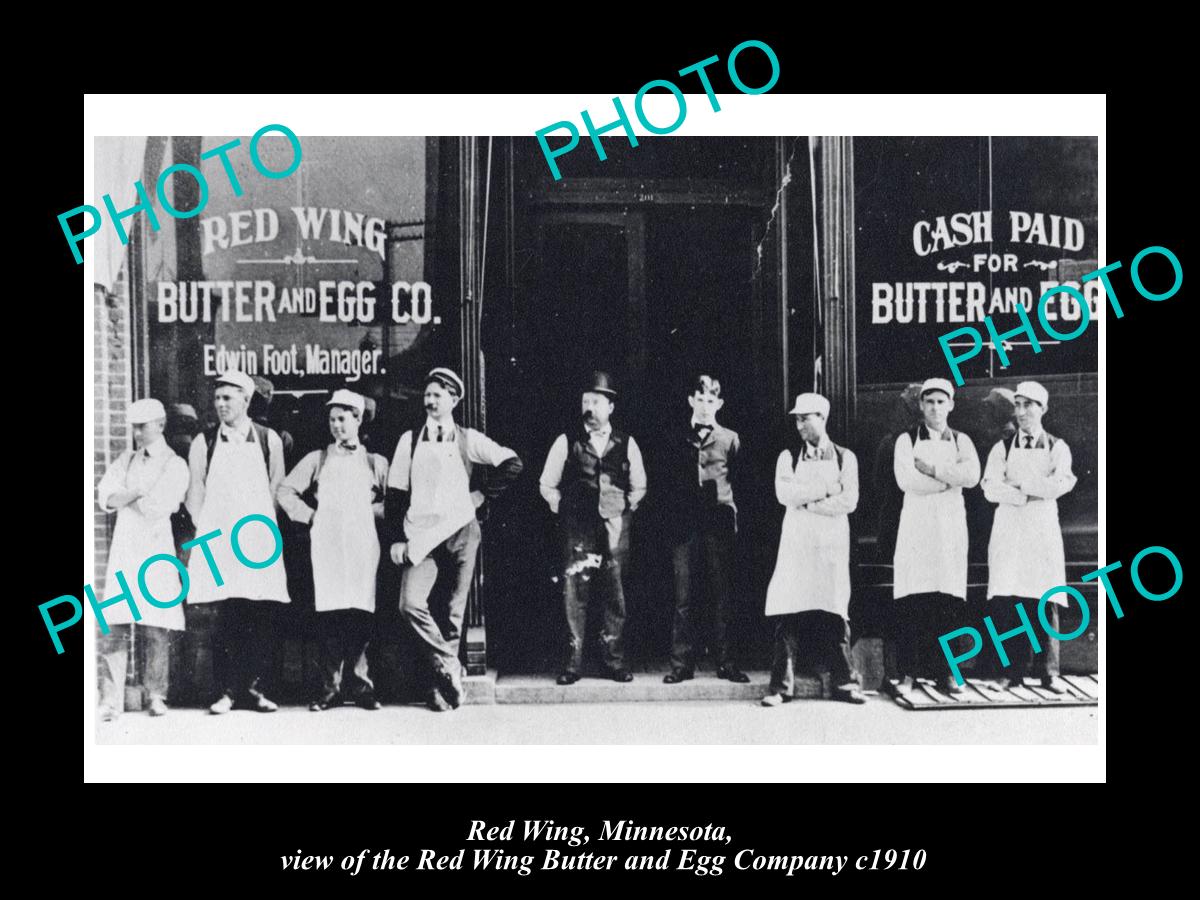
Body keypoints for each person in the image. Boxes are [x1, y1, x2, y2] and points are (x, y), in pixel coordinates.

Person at [387, 367, 523, 711]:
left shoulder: (468, 439)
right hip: (421, 535)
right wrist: (396, 539)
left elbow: (512, 463)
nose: (430, 401)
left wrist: (482, 495)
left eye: (438, 395)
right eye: (428, 395)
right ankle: (449, 663)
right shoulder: (410, 439)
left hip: (462, 532)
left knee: (452, 612)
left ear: (455, 399)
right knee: (411, 604)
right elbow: (395, 493)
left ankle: (439, 689)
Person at [185, 369, 291, 714]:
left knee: (259, 613)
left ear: (246, 400)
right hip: (220, 540)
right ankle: (226, 692)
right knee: (225, 615)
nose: (220, 404)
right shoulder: (205, 442)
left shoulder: (267, 439)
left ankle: (255, 688)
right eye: (217, 398)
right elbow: (195, 491)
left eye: (227, 398)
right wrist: (209, 531)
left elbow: (277, 487)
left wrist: (262, 532)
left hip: (257, 542)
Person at [278, 389, 388, 711]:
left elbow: (394, 501)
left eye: (343, 419)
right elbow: (286, 491)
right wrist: (310, 516)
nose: (337, 426)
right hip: (327, 547)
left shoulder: (375, 462)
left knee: (359, 614)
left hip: (362, 547)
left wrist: (372, 511)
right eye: (332, 419)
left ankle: (362, 686)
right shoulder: (318, 459)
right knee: (330, 616)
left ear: (358, 420)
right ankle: (329, 688)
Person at [539, 371, 647, 685]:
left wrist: (623, 510)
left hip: (615, 528)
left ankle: (613, 661)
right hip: (577, 529)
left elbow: (639, 487)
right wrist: (564, 507)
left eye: (596, 402)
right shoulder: (567, 441)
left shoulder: (626, 442)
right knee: (575, 592)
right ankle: (572, 664)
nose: (590, 407)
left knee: (615, 592)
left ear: (610, 406)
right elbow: (547, 484)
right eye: (586, 401)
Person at [761, 393, 866, 707]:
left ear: (822, 417)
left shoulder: (846, 458)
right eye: (796, 418)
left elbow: (849, 501)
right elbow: (784, 494)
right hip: (796, 543)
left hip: (831, 545)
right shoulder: (787, 457)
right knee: (787, 608)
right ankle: (781, 687)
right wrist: (824, 491)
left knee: (834, 611)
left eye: (805, 418)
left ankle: (845, 683)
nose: (799, 425)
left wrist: (807, 502)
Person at [884, 377, 980, 697]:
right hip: (917, 529)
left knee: (948, 602)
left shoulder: (962, 441)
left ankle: (947, 674)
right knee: (915, 600)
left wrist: (934, 470)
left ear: (950, 405)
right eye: (929, 402)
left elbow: (971, 476)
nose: (935, 408)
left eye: (941, 402)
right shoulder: (905, 441)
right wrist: (947, 481)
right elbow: (906, 480)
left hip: (951, 529)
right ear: (921, 406)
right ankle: (909, 674)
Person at [95, 399, 190, 720]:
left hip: (155, 551)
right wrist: (135, 491)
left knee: (155, 625)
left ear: (160, 425)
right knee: (115, 622)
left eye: (142, 425)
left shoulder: (175, 464)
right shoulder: (126, 458)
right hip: (125, 549)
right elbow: (105, 496)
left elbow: (159, 507)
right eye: (133, 425)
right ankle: (111, 699)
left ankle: (156, 695)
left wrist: (129, 493)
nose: (136, 432)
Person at [981, 381, 1077, 692]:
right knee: (1010, 599)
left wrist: (1021, 485)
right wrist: (1028, 492)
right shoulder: (1002, 448)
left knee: (1045, 597)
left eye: (1029, 405)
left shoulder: (1057, 447)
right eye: (1018, 405)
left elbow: (1061, 483)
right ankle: (1011, 672)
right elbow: (990, 487)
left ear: (1043, 409)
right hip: (1010, 527)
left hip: (1042, 529)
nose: (1021, 412)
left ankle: (1049, 673)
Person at [662, 375, 747, 684]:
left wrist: (731, 513)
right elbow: (666, 484)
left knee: (722, 594)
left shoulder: (730, 439)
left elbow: (740, 483)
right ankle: (682, 665)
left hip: (718, 523)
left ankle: (726, 662)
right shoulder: (674, 436)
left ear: (719, 404)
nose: (705, 406)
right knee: (684, 597)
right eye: (700, 400)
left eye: (711, 401)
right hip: (684, 524)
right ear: (691, 401)